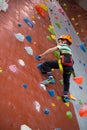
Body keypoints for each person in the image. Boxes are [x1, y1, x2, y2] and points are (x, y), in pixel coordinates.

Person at [35, 35, 75, 102]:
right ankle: (65, 96)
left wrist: (41, 55)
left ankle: (50, 78)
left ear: (64, 41)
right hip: (69, 67)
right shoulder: (69, 50)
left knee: (46, 64)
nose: (58, 43)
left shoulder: (63, 46)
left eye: (60, 41)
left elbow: (51, 50)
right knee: (66, 81)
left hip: (62, 64)